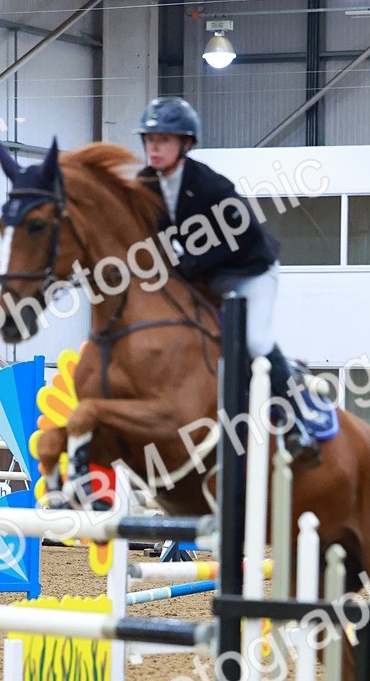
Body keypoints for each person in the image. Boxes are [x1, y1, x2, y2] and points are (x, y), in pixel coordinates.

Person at [136, 96, 320, 466]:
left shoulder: (210, 186)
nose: (154, 147)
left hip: (248, 271)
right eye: (150, 139)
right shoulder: (145, 184)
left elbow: (242, 236)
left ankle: (298, 421)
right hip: (202, 277)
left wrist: (187, 263)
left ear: (185, 144)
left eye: (165, 140)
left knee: (255, 340)